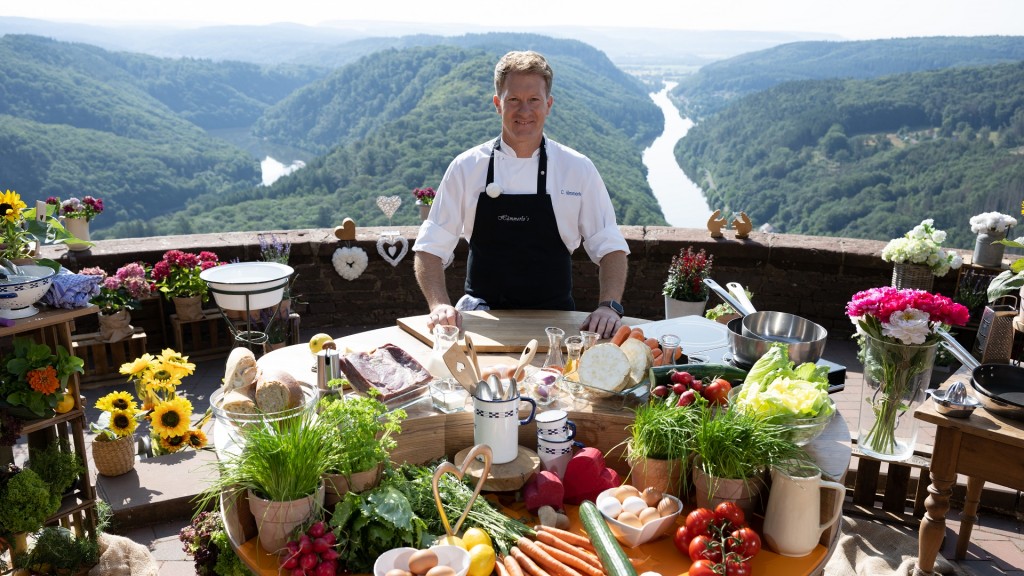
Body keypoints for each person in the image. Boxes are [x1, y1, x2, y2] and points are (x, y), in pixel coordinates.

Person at [412, 50, 629, 338]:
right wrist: (439, 305)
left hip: (557, 324)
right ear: (497, 105)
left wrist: (609, 307)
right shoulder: (466, 168)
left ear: (548, 105)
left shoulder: (578, 169)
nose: (524, 111)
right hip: (482, 320)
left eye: (534, 100)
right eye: (513, 99)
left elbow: (611, 247)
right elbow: (429, 249)